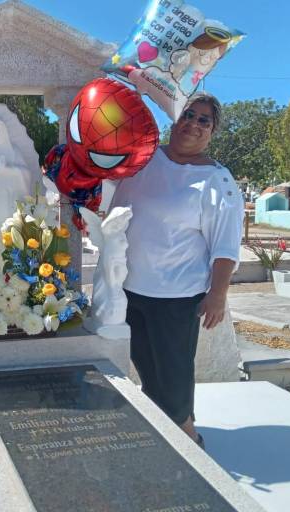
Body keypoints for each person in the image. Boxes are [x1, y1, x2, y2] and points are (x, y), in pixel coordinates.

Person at [111, 92, 243, 447]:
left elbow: (226, 244)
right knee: (150, 374)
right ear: (175, 118)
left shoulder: (217, 181)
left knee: (173, 377)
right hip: (131, 287)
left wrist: (218, 294)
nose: (194, 124)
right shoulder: (144, 159)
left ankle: (189, 442)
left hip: (176, 295)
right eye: (189, 114)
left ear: (213, 132)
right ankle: (167, 438)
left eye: (204, 120)